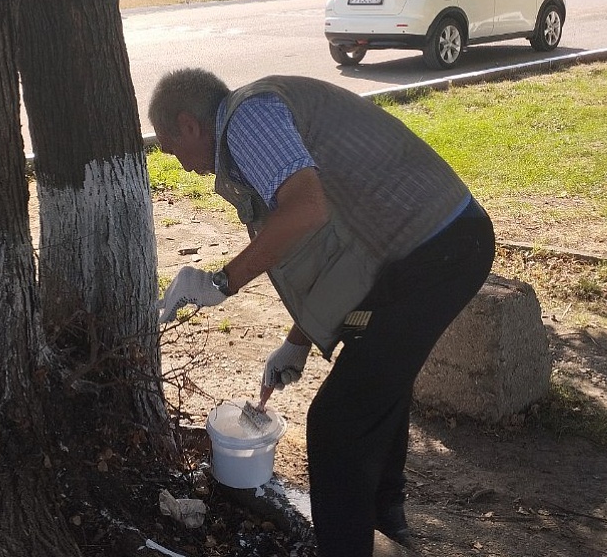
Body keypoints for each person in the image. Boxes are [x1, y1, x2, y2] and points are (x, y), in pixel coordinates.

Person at [151, 69, 495, 556]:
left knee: (335, 423)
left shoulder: (247, 120)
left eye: (173, 150)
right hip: (419, 251)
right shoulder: (259, 125)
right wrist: (296, 343)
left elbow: (306, 209)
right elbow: (332, 251)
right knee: (374, 377)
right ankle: (386, 523)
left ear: (189, 125)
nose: (183, 168)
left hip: (438, 249)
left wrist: (220, 283)